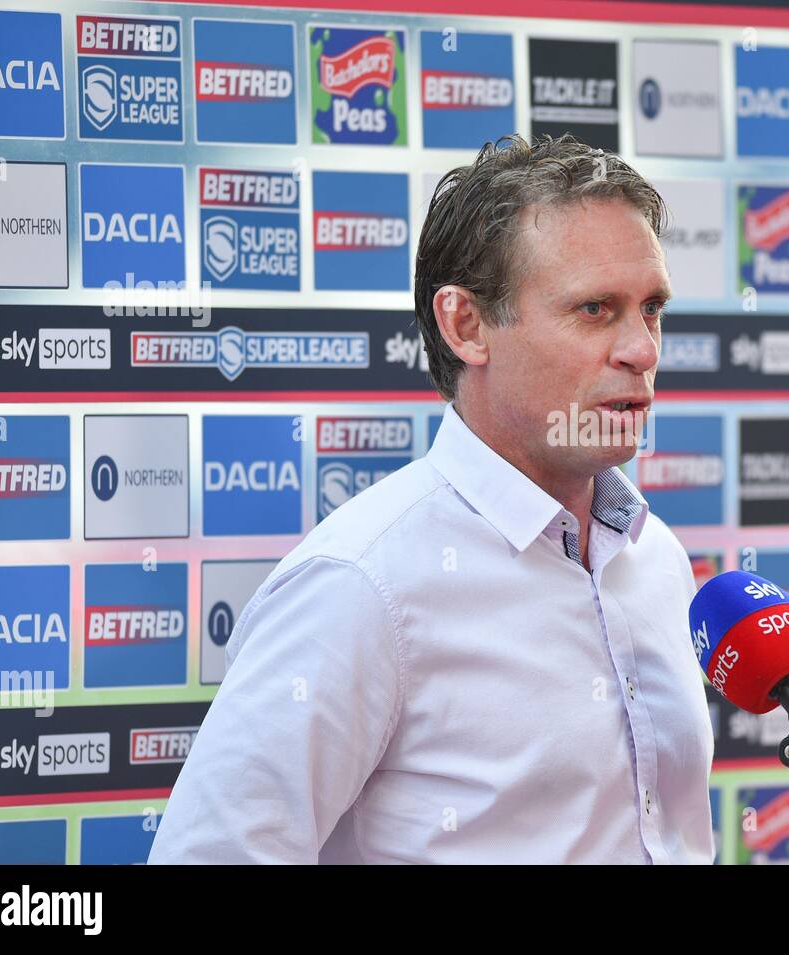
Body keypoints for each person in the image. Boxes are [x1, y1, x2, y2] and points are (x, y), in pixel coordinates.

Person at [148, 134, 714, 864]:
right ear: (466, 325)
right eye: (596, 309)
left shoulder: (655, 557)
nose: (642, 348)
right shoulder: (362, 583)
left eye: (653, 308)